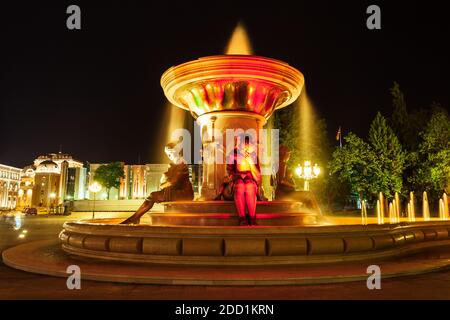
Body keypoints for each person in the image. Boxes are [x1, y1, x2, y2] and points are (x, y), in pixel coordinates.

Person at [121, 141, 194, 224]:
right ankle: (135, 217)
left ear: (176, 150)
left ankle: (135, 218)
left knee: (152, 196)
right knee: (153, 195)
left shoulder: (181, 162)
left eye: (170, 152)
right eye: (167, 154)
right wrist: (165, 180)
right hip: (176, 191)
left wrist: (164, 180)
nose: (169, 156)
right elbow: (170, 181)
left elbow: (173, 181)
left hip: (183, 194)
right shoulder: (175, 164)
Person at [227, 135, 261, 226]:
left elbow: (258, 177)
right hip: (237, 179)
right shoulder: (233, 153)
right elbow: (229, 172)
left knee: (249, 185)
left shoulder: (253, 155)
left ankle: (252, 217)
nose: (246, 146)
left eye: (248, 144)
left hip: (249, 179)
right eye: (244, 143)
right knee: (240, 185)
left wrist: (251, 162)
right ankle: (242, 217)